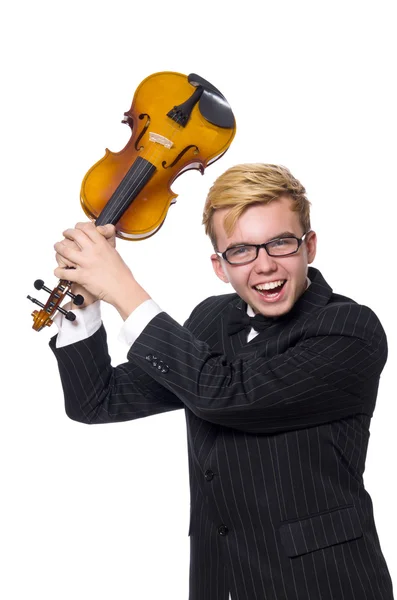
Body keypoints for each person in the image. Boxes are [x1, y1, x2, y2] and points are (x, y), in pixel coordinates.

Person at [50, 163, 394, 600]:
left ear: (309, 245)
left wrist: (123, 287)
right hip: (221, 582)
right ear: (219, 265)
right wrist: (84, 299)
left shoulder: (349, 329)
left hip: (323, 584)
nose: (265, 265)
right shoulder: (213, 318)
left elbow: (227, 393)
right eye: (242, 251)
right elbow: (97, 401)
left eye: (280, 243)